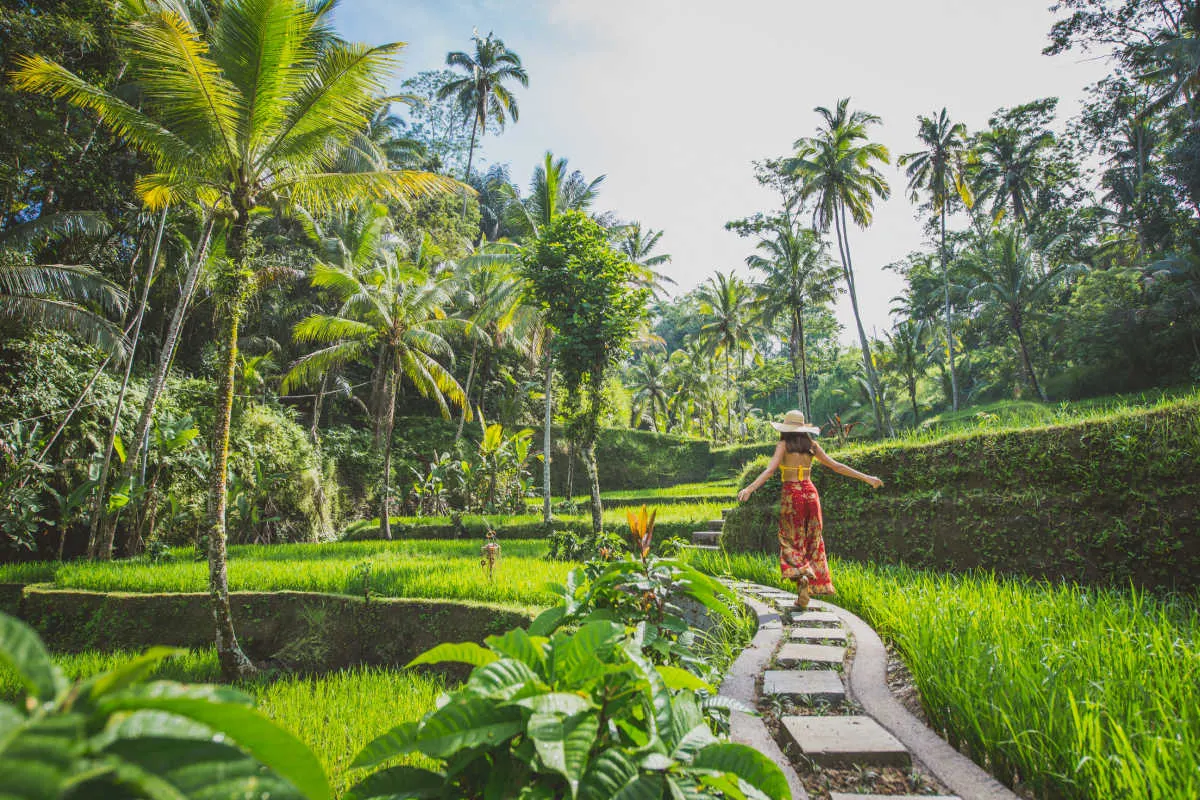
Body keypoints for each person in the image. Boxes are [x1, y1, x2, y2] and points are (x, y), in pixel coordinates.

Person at [737, 410, 883, 609]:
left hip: (792, 496)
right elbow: (836, 466)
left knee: (791, 539)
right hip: (811, 494)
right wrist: (868, 478)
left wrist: (749, 488)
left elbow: (770, 470)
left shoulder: (783, 445)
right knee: (813, 540)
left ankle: (802, 576)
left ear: (785, 429)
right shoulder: (812, 446)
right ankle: (806, 583)